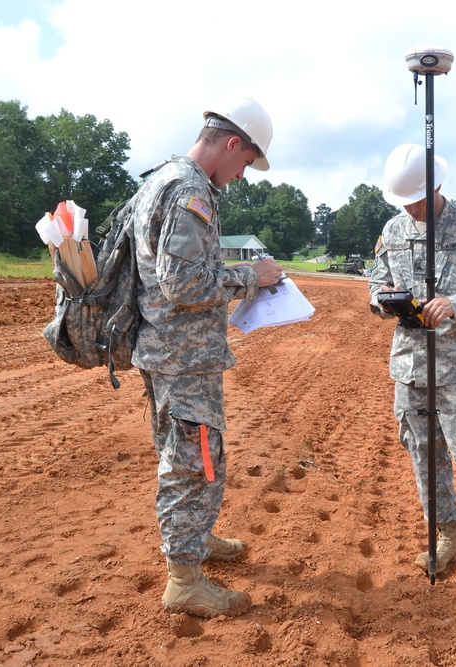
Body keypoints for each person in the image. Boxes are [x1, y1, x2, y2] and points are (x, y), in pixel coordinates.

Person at [131, 98, 283, 618]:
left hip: (170, 352)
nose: (241, 176)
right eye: (244, 164)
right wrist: (252, 277)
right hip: (181, 357)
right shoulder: (190, 190)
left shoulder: (162, 177)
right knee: (189, 464)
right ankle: (184, 578)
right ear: (231, 143)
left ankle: (196, 538)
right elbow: (184, 284)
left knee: (195, 456)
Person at [368, 143, 456, 601]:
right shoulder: (392, 229)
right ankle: (445, 535)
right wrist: (383, 299)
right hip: (410, 365)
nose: (410, 207)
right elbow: (375, 282)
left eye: (416, 197)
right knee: (424, 456)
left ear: (437, 185)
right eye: (403, 200)